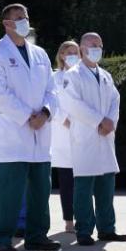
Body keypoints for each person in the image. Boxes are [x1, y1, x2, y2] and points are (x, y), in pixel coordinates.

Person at [0, 3, 61, 251]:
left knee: (40, 189)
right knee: (9, 191)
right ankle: (2, 238)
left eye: (25, 16)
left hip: (40, 132)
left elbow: (52, 89)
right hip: (14, 133)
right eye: (18, 17)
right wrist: (27, 116)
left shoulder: (40, 54)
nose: (24, 20)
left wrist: (45, 112)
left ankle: (37, 236)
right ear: (6, 24)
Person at [61, 32, 126, 246]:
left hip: (105, 137)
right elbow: (74, 105)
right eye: (92, 45)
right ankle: (83, 231)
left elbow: (115, 100)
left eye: (99, 44)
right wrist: (100, 120)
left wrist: (110, 121)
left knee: (106, 187)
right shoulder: (72, 75)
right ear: (82, 48)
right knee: (83, 188)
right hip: (86, 137)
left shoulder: (106, 75)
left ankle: (107, 229)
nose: (97, 48)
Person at [51, 40, 81, 233]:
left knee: (83, 182)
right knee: (67, 182)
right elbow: (52, 102)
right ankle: (69, 220)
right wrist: (65, 120)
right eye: (68, 52)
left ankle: (84, 217)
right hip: (62, 134)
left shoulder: (84, 76)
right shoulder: (54, 77)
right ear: (61, 55)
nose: (72, 55)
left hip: (83, 133)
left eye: (75, 52)